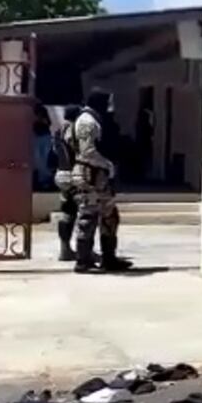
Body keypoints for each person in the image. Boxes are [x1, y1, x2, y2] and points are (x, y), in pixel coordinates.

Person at [71, 89, 132, 273]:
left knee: (109, 217)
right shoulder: (87, 121)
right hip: (90, 175)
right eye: (108, 102)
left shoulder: (95, 119)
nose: (110, 107)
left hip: (98, 176)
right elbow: (88, 151)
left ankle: (108, 258)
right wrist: (107, 164)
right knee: (88, 217)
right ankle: (83, 260)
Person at [52, 105, 82, 262]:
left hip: (61, 172)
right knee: (75, 211)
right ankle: (74, 250)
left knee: (66, 211)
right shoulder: (72, 130)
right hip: (72, 173)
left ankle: (65, 248)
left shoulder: (58, 130)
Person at [31, 102, 53, 190]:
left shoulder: (43, 111)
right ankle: (44, 178)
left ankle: (44, 180)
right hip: (36, 136)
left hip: (44, 135)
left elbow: (49, 122)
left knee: (44, 158)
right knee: (38, 158)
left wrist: (42, 120)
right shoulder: (30, 112)